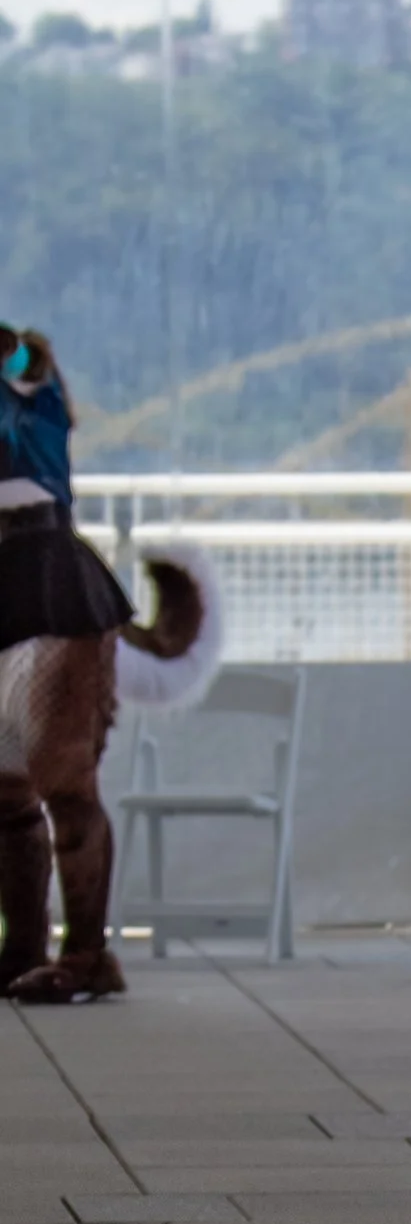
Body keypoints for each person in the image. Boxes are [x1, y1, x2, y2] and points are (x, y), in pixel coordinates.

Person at [0, 325, 217, 1003]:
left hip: (44, 577)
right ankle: (25, 948)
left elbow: (26, 360)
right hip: (24, 581)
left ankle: (88, 954)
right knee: (7, 794)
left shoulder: (26, 369)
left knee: (64, 781)